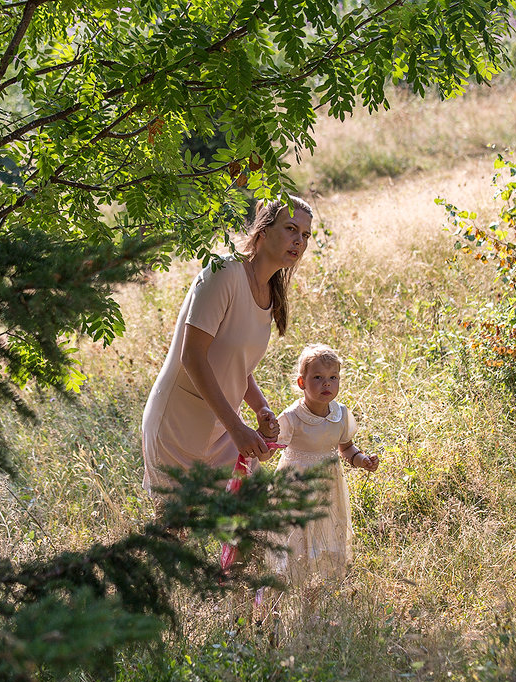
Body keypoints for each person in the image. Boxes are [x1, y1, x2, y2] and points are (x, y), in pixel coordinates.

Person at [141, 196, 314, 492]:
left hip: (222, 432)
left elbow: (236, 365)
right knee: (175, 534)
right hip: (177, 427)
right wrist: (238, 428)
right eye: (290, 229)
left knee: (252, 528)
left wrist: (261, 409)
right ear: (263, 230)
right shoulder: (223, 273)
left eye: (306, 235)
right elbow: (193, 357)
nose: (299, 241)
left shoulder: (269, 293)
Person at [266, 344, 378, 589]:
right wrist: (266, 434)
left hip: (328, 485)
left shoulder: (340, 414)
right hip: (296, 485)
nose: (327, 384)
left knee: (326, 531)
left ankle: (318, 586)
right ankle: (291, 579)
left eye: (333, 378)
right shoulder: (293, 416)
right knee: (297, 534)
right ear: (301, 382)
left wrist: (363, 461)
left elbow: (346, 448)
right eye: (318, 378)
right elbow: (271, 447)